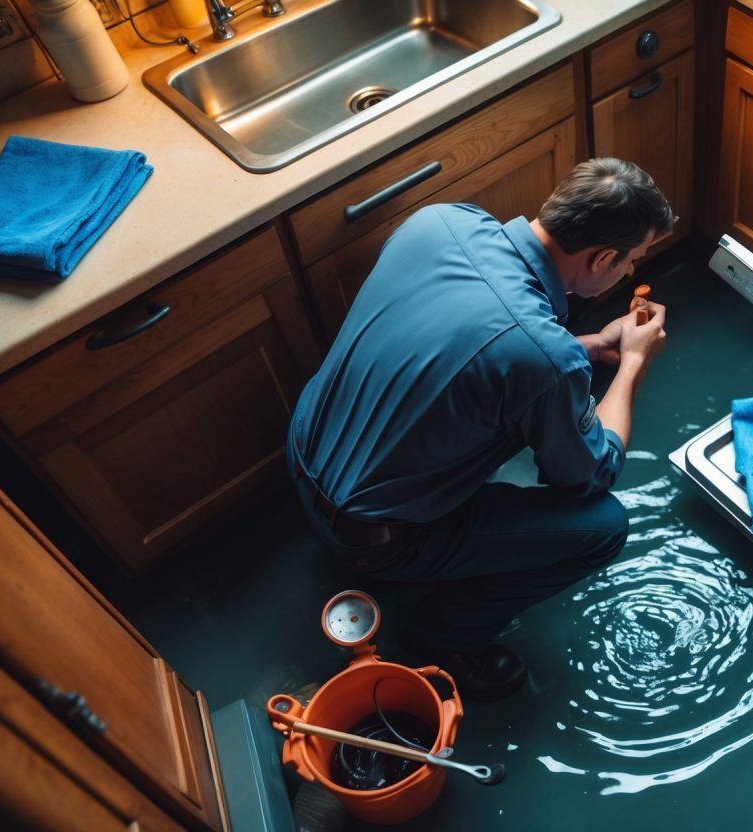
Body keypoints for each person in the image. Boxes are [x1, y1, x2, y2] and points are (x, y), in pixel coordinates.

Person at [287, 158, 673, 701]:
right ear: (602, 257)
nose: (630, 272)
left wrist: (580, 349)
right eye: (630, 260)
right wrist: (631, 364)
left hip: (304, 454)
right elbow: (589, 476)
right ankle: (443, 635)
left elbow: (473, 342)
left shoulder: (441, 220)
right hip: (370, 540)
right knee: (604, 526)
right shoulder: (545, 362)